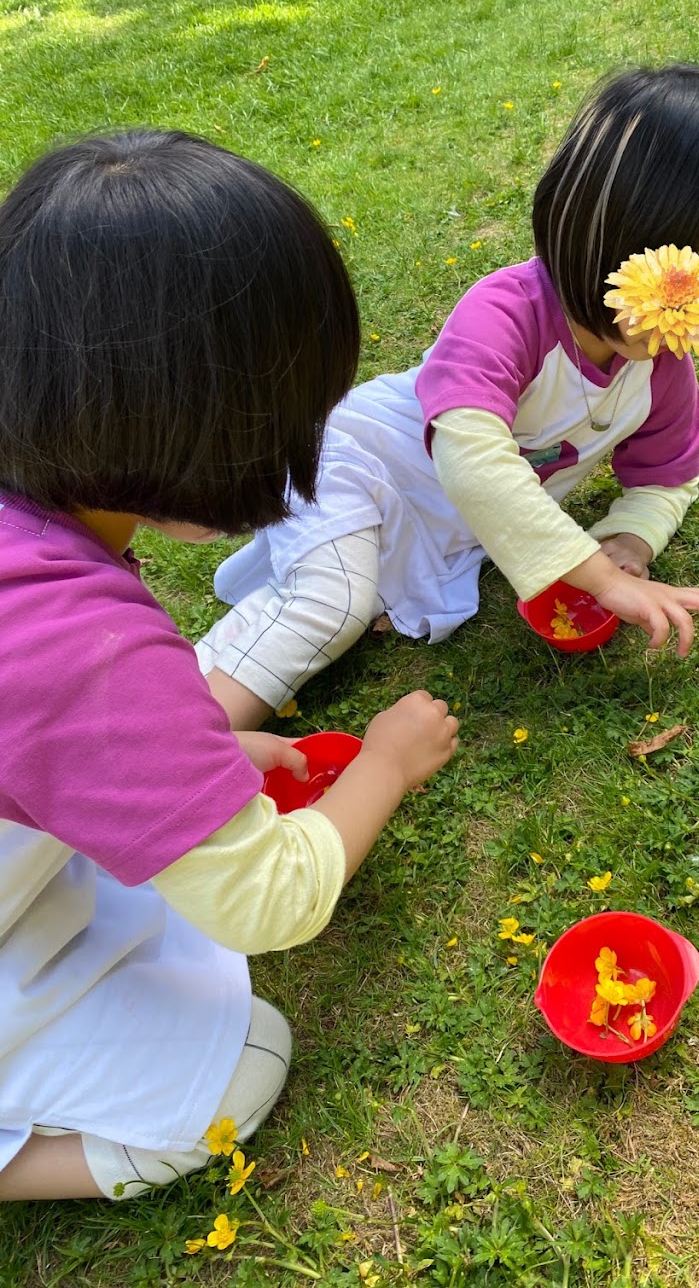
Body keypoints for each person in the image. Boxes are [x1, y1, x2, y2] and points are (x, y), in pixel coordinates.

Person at [0, 130, 459, 1202]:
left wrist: (197, 755)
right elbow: (269, 900)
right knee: (241, 1066)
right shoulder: (79, 642)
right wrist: (383, 763)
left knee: (136, 902)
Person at [198, 63, 699, 731]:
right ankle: (183, 750)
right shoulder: (504, 313)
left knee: (341, 608)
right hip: (362, 468)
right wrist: (599, 578)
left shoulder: (659, 365)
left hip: (445, 527)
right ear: (587, 230)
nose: (688, 309)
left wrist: (628, 541)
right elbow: (469, 453)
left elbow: (670, 475)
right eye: (670, 279)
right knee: (332, 604)